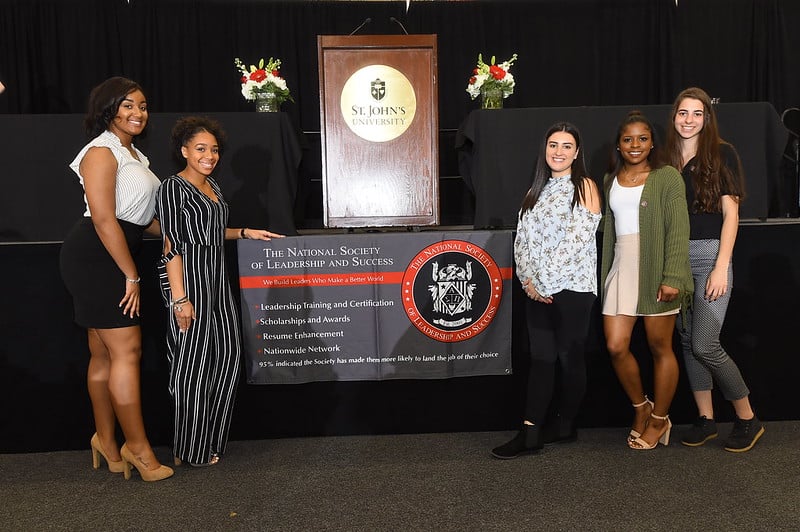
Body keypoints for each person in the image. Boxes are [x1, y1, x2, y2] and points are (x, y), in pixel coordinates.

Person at [59, 77, 173, 481]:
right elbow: (106, 218)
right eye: (128, 106)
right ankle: (138, 450)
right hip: (99, 254)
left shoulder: (134, 155)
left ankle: (105, 441)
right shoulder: (100, 151)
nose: (138, 113)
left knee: (104, 354)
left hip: (115, 249)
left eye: (142, 106)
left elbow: (143, 219)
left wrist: (218, 230)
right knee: (127, 352)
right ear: (108, 109)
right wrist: (131, 275)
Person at [156, 116, 283, 467]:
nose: (209, 155)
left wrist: (244, 233)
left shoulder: (213, 186)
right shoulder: (173, 188)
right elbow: (172, 245)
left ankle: (211, 441)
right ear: (184, 151)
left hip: (218, 283)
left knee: (226, 360)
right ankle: (190, 449)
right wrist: (180, 299)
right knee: (191, 369)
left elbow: (210, 231)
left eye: (214, 149)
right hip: (189, 284)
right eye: (200, 148)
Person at [491, 122, 602, 459]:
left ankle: (566, 424)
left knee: (570, 360)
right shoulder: (534, 191)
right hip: (535, 291)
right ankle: (530, 432)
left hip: (572, 289)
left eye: (567, 146)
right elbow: (522, 240)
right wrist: (528, 281)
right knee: (540, 360)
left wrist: (543, 282)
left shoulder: (584, 186)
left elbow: (576, 242)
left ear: (577, 152)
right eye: (553, 145)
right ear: (545, 150)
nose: (559, 151)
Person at [664, 87, 765, 452]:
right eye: (683, 113)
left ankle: (747, 418)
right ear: (674, 116)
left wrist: (721, 266)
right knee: (689, 343)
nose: (688, 120)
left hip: (709, 256)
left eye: (696, 113)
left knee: (706, 343)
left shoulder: (722, 153)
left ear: (707, 118)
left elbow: (731, 215)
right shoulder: (666, 159)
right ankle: (706, 419)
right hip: (675, 259)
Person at [600, 110, 693, 450]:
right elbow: (609, 229)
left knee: (659, 346)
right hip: (621, 264)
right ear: (619, 145)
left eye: (642, 138)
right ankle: (642, 407)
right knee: (615, 345)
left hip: (657, 266)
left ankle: (660, 419)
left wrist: (673, 277)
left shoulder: (667, 177)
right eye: (628, 139)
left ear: (652, 143)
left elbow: (678, 230)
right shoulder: (611, 178)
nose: (635, 145)